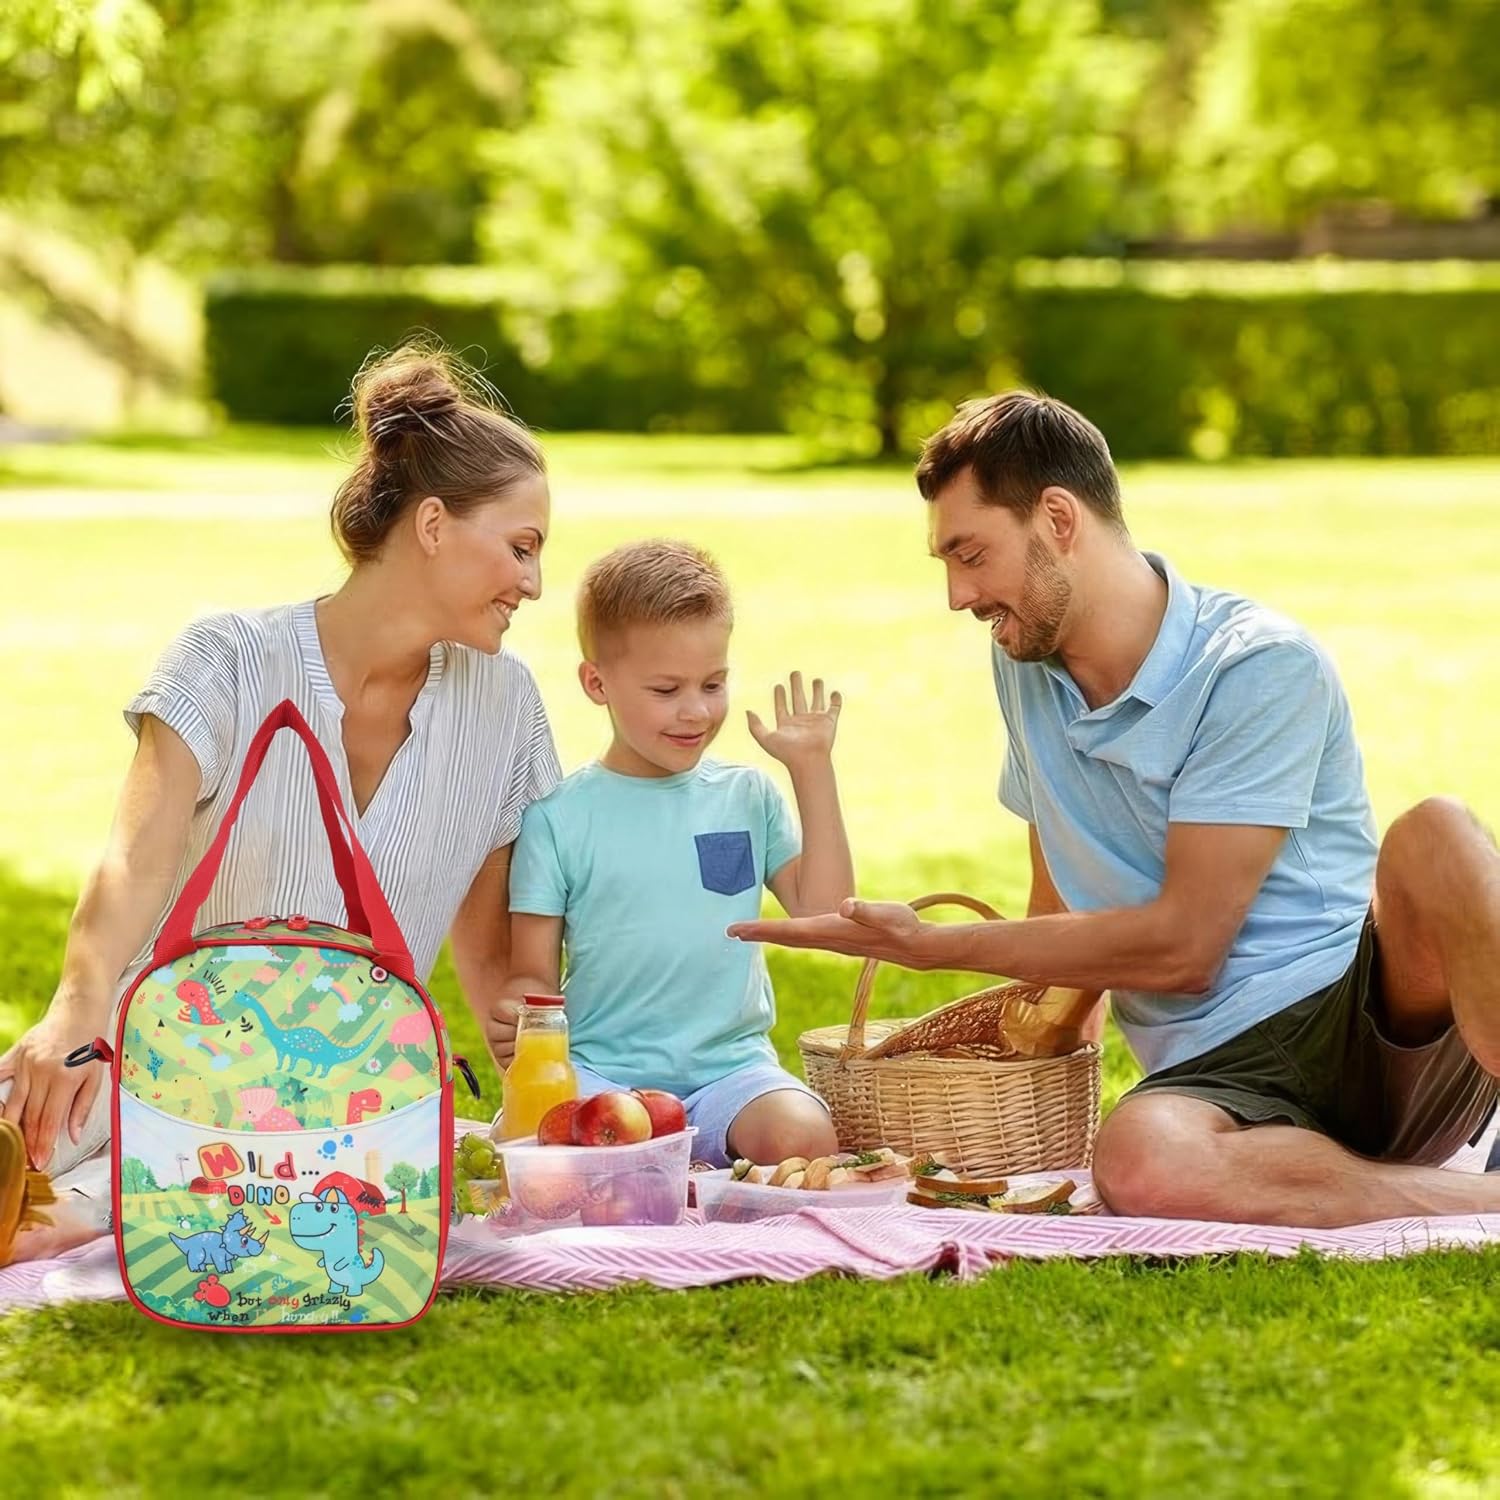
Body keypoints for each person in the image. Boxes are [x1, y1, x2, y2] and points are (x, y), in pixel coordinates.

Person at [730, 391, 1500, 1227]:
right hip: (1221, 1079)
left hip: (1364, 1017)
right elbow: (1056, 900)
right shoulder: (1022, 663)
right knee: (1139, 1158)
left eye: (971, 554)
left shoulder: (1254, 665)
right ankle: (1466, 1199)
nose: (958, 594)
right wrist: (1029, 1065)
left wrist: (933, 947)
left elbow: (1186, 948)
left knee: (1437, 832)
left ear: (1058, 518)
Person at [0, 344, 560, 1266]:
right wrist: (74, 1009)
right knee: (33, 1142)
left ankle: (102, 1212)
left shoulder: (505, 706)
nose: (534, 584)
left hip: (345, 1106)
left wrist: (543, 1079)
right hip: (151, 1054)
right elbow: (131, 861)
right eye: (521, 546)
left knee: (123, 1205)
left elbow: (493, 952)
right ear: (431, 525)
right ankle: (98, 1200)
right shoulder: (226, 657)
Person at [499, 539, 849, 1167]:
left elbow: (824, 918)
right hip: (601, 1073)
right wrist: (521, 1028)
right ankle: (670, 1164)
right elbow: (532, 973)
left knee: (806, 1140)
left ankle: (680, 1156)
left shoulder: (746, 795)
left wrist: (811, 771)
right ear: (596, 682)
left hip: (731, 1075)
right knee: (539, 1148)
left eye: (713, 684)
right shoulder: (557, 819)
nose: (696, 711)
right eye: (666, 690)